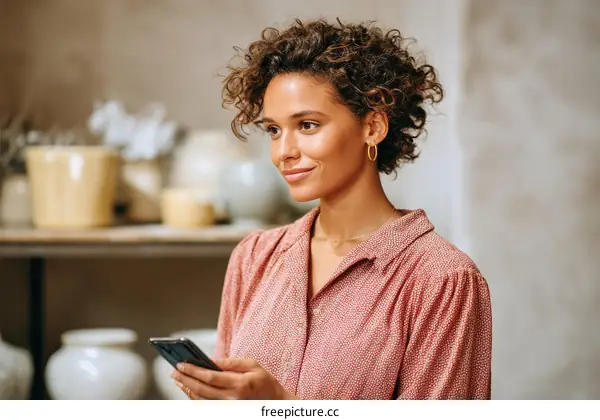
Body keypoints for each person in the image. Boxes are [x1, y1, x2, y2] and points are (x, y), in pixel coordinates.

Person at [170, 18, 492, 400]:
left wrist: (279, 407)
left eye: (307, 125)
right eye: (273, 130)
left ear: (372, 127)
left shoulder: (442, 280)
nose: (283, 152)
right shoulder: (254, 258)